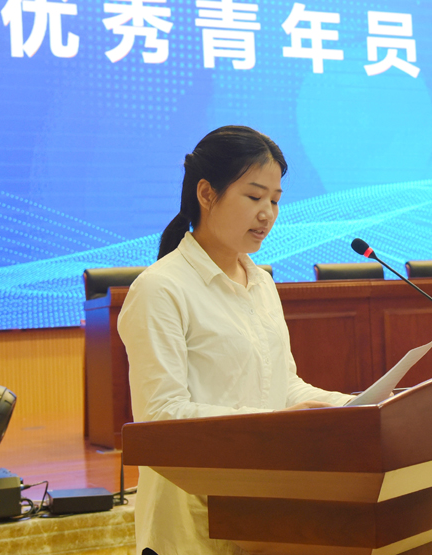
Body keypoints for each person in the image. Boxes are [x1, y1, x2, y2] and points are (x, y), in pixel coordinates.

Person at [117, 125, 353, 555]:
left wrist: (356, 406)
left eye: (275, 201)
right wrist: (276, 423)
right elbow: (160, 416)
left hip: (263, 514)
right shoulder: (160, 289)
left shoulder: (261, 283)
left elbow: (284, 386)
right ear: (207, 193)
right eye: (254, 197)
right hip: (190, 524)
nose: (268, 214)